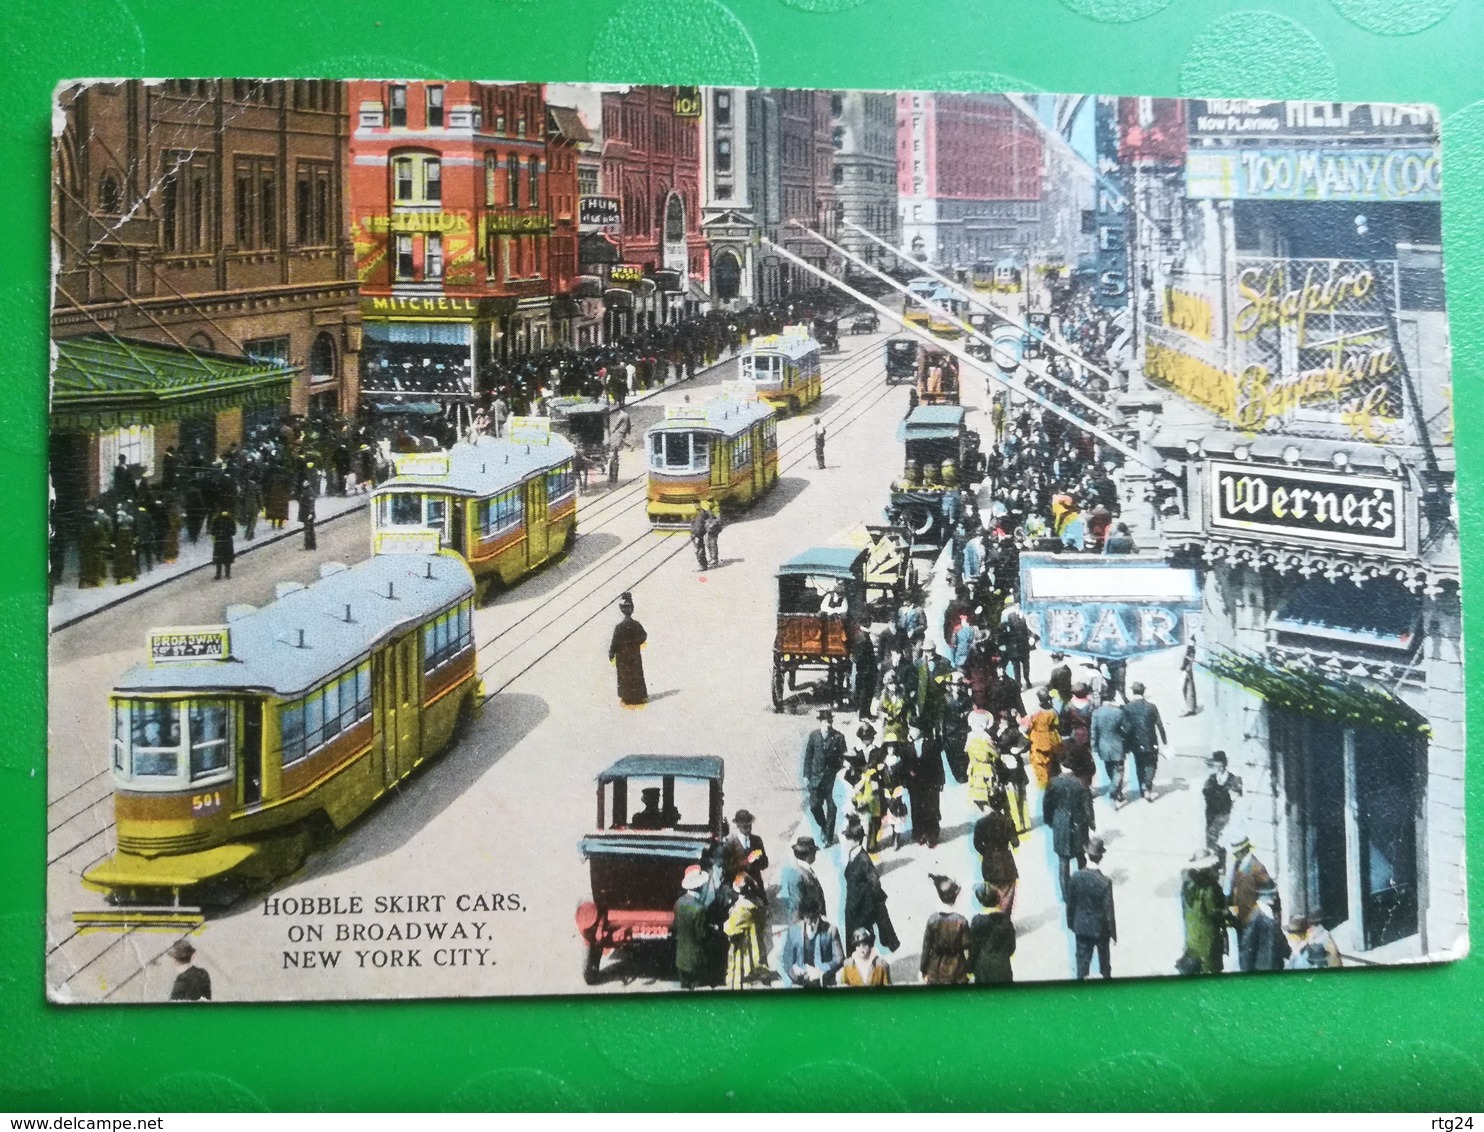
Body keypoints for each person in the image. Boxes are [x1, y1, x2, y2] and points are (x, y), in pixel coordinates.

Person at [842, 822, 899, 952]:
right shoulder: (852, 853)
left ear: (855, 840)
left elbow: (875, 883)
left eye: (848, 838)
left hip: (861, 907)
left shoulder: (863, 859)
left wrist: (868, 905)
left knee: (861, 937)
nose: (846, 841)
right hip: (852, 903)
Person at [1065, 836, 1116, 980]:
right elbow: (1109, 912)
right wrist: (1113, 934)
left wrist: (1071, 924)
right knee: (1104, 964)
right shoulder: (1105, 882)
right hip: (1100, 929)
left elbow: (1071, 905)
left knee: (1082, 963)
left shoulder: (1075, 877)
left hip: (1081, 926)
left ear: (1087, 854)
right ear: (1101, 857)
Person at [1044, 762, 1095, 901]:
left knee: (1063, 860)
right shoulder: (1080, 783)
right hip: (1079, 823)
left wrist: (1050, 821)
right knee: (1081, 856)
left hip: (1060, 823)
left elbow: (1047, 805)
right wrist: (1091, 822)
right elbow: (1087, 805)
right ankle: (1083, 887)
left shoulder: (1053, 783)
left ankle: (1066, 895)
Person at [778, 892, 844, 988]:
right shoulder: (793, 931)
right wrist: (794, 970)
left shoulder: (831, 930)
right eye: (807, 918)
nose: (810, 923)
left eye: (813, 919)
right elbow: (786, 960)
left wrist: (821, 970)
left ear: (818, 915)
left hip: (823, 983)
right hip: (800, 982)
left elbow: (839, 959)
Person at [801, 710, 846, 846]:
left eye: (830, 721)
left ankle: (828, 837)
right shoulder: (814, 736)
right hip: (816, 778)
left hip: (832, 779)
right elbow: (808, 756)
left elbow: (843, 756)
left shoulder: (838, 737)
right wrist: (806, 775)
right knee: (814, 806)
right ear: (821, 722)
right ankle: (823, 826)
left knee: (832, 807)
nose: (828, 724)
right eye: (825, 722)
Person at [972, 793, 1020, 915]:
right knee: (1008, 892)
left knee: (993, 893)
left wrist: (987, 853)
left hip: (989, 864)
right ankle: (1005, 919)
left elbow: (977, 844)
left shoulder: (981, 823)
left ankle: (995, 917)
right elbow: (1015, 843)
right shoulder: (1008, 821)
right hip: (1006, 863)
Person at [919, 875, 971, 986]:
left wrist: (923, 969)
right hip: (957, 970)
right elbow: (967, 947)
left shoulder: (932, 920)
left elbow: (926, 948)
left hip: (935, 970)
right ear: (955, 897)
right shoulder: (962, 921)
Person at [1181, 851, 1228, 975]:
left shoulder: (1187, 885)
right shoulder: (1210, 887)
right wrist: (1228, 913)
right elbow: (1213, 912)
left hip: (1192, 941)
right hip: (1209, 941)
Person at [1122, 682, 1167, 802]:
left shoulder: (1127, 707)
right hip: (1151, 741)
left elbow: (1126, 728)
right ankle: (1148, 786)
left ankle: (1142, 787)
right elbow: (1160, 725)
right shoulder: (1151, 706)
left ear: (1133, 692)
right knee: (1152, 764)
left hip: (1135, 742)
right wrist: (1164, 741)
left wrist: (1125, 744)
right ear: (1143, 692)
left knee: (1139, 764)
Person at [723, 873, 766, 989]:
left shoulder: (742, 907)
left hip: (743, 950)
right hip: (754, 944)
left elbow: (729, 929)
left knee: (739, 981)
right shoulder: (757, 902)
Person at [968, 884, 1016, 985]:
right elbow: (1011, 947)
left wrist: (970, 967)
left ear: (981, 902)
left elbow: (973, 948)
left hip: (982, 966)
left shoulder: (977, 921)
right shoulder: (1006, 921)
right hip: (1002, 966)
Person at [1202, 751, 1244, 866]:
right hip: (1212, 813)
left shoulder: (1232, 779)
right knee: (1212, 836)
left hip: (1225, 813)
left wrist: (1233, 794)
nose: (1218, 768)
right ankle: (1217, 859)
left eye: (1221, 765)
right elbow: (1205, 792)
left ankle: (1222, 862)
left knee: (1223, 837)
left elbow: (1238, 796)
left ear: (1225, 764)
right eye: (1216, 765)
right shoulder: (1211, 778)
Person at [1238, 883, 1290, 973]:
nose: (1274, 898)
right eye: (1272, 895)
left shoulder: (1273, 913)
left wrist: (1287, 952)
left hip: (1274, 965)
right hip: (1262, 967)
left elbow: (1279, 936)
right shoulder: (1256, 917)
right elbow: (1248, 948)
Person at [722, 809, 770, 907]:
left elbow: (765, 864)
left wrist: (759, 860)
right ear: (738, 826)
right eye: (745, 826)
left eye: (749, 825)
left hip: (755, 885)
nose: (748, 829)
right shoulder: (730, 844)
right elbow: (727, 868)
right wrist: (747, 861)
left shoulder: (757, 840)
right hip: (737, 886)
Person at [673, 866, 711, 989]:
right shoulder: (700, 909)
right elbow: (702, 935)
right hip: (696, 961)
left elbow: (676, 926)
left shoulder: (679, 902)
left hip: (681, 960)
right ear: (699, 887)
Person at [608, 591, 648, 706]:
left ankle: (627, 696)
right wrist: (635, 643)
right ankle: (638, 696)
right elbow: (644, 636)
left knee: (625, 674)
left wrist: (612, 653)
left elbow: (614, 642)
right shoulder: (636, 624)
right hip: (634, 653)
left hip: (622, 654)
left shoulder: (619, 627)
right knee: (635, 673)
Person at [1090, 690, 1129, 806]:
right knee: (1119, 770)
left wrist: (1094, 746)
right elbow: (1127, 728)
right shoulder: (1118, 712)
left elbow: (1094, 732)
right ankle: (1114, 792)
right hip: (1117, 744)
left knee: (1110, 769)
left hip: (1103, 746)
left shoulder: (1096, 713)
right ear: (1112, 699)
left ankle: (1117, 791)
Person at [778, 836, 827, 923]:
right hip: (808, 922)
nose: (815, 854)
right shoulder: (797, 875)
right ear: (809, 854)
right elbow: (797, 905)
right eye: (814, 852)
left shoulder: (805, 869)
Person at [1023, 691, 1063, 791]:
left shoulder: (1035, 712)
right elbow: (1057, 724)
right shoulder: (1053, 711)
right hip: (1051, 739)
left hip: (1037, 740)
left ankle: (1044, 789)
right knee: (1053, 765)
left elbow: (1028, 727)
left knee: (1039, 765)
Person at [209, 509, 235, 581]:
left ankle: (218, 574)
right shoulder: (230, 520)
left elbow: (212, 532)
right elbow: (233, 532)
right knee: (227, 557)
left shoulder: (216, 520)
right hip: (228, 541)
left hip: (218, 541)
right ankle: (227, 574)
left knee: (219, 557)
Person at [1180, 640, 1200, 716]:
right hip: (1188, 670)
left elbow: (1190, 660)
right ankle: (1192, 707)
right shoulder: (1190, 649)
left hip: (1188, 671)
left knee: (1187, 689)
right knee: (1189, 688)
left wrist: (1184, 667)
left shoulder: (1190, 649)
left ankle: (1191, 709)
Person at [689, 505, 709, 571]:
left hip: (697, 534)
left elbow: (698, 526)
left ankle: (702, 566)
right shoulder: (699, 514)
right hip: (696, 533)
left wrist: (695, 534)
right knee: (700, 549)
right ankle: (704, 564)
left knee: (699, 550)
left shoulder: (700, 514)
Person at [299, 485, 317, 551]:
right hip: (306, 513)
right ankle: (311, 545)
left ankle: (308, 545)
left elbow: (311, 504)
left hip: (307, 514)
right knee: (309, 529)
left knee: (308, 529)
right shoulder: (307, 491)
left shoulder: (308, 492)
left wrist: (310, 513)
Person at [704, 504, 722, 569]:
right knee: (708, 544)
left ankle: (715, 559)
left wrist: (712, 524)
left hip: (714, 530)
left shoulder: (716, 509)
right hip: (709, 530)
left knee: (713, 544)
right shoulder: (708, 509)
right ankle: (711, 557)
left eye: (710, 502)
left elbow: (719, 518)